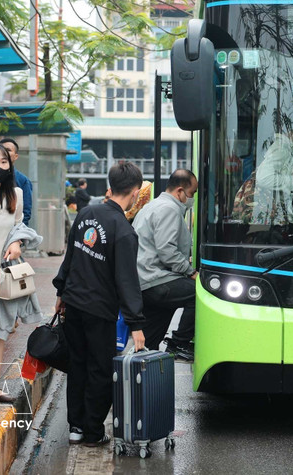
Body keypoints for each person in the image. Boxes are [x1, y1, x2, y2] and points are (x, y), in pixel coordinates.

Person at [53, 162, 146, 448]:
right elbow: (127, 281)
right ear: (134, 192)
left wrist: (60, 292)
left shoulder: (86, 213)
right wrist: (137, 325)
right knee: (101, 370)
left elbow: (70, 257)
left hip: (72, 304)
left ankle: (76, 428)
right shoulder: (124, 230)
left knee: (77, 365)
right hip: (99, 310)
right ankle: (93, 431)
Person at [0, 143, 44, 404]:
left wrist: (17, 242)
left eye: (4, 162)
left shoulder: (15, 194)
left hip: (1, 275)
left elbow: (19, 226)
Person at [132, 169, 198, 360]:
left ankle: (141, 371)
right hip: (156, 279)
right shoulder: (169, 209)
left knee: (150, 343)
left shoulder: (152, 206)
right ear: (179, 191)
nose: (192, 199)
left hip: (143, 280)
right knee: (200, 293)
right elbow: (167, 251)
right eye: (191, 194)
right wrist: (190, 272)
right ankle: (179, 343)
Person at [0, 138, 33, 226]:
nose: (4, 152)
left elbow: (26, 212)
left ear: (16, 156)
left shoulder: (23, 181)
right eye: (1, 150)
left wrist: (18, 235)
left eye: (8, 150)